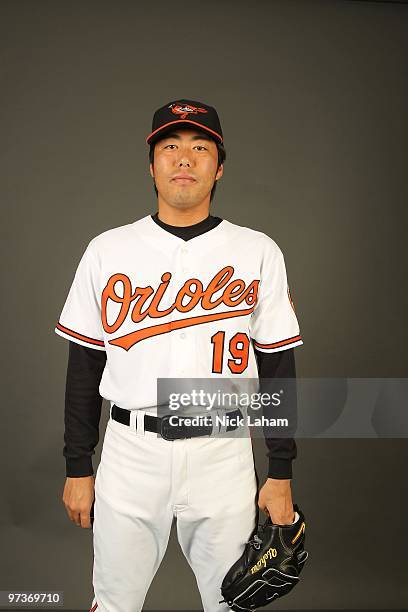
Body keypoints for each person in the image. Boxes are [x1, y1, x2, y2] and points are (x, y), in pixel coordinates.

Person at [55, 99, 304, 612]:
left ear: (219, 166)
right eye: (170, 147)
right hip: (129, 453)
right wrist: (78, 465)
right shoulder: (107, 250)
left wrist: (280, 470)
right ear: (152, 166)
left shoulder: (258, 250)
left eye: (199, 147)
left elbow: (278, 366)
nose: (184, 158)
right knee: (114, 604)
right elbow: (85, 366)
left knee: (232, 604)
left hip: (224, 454)